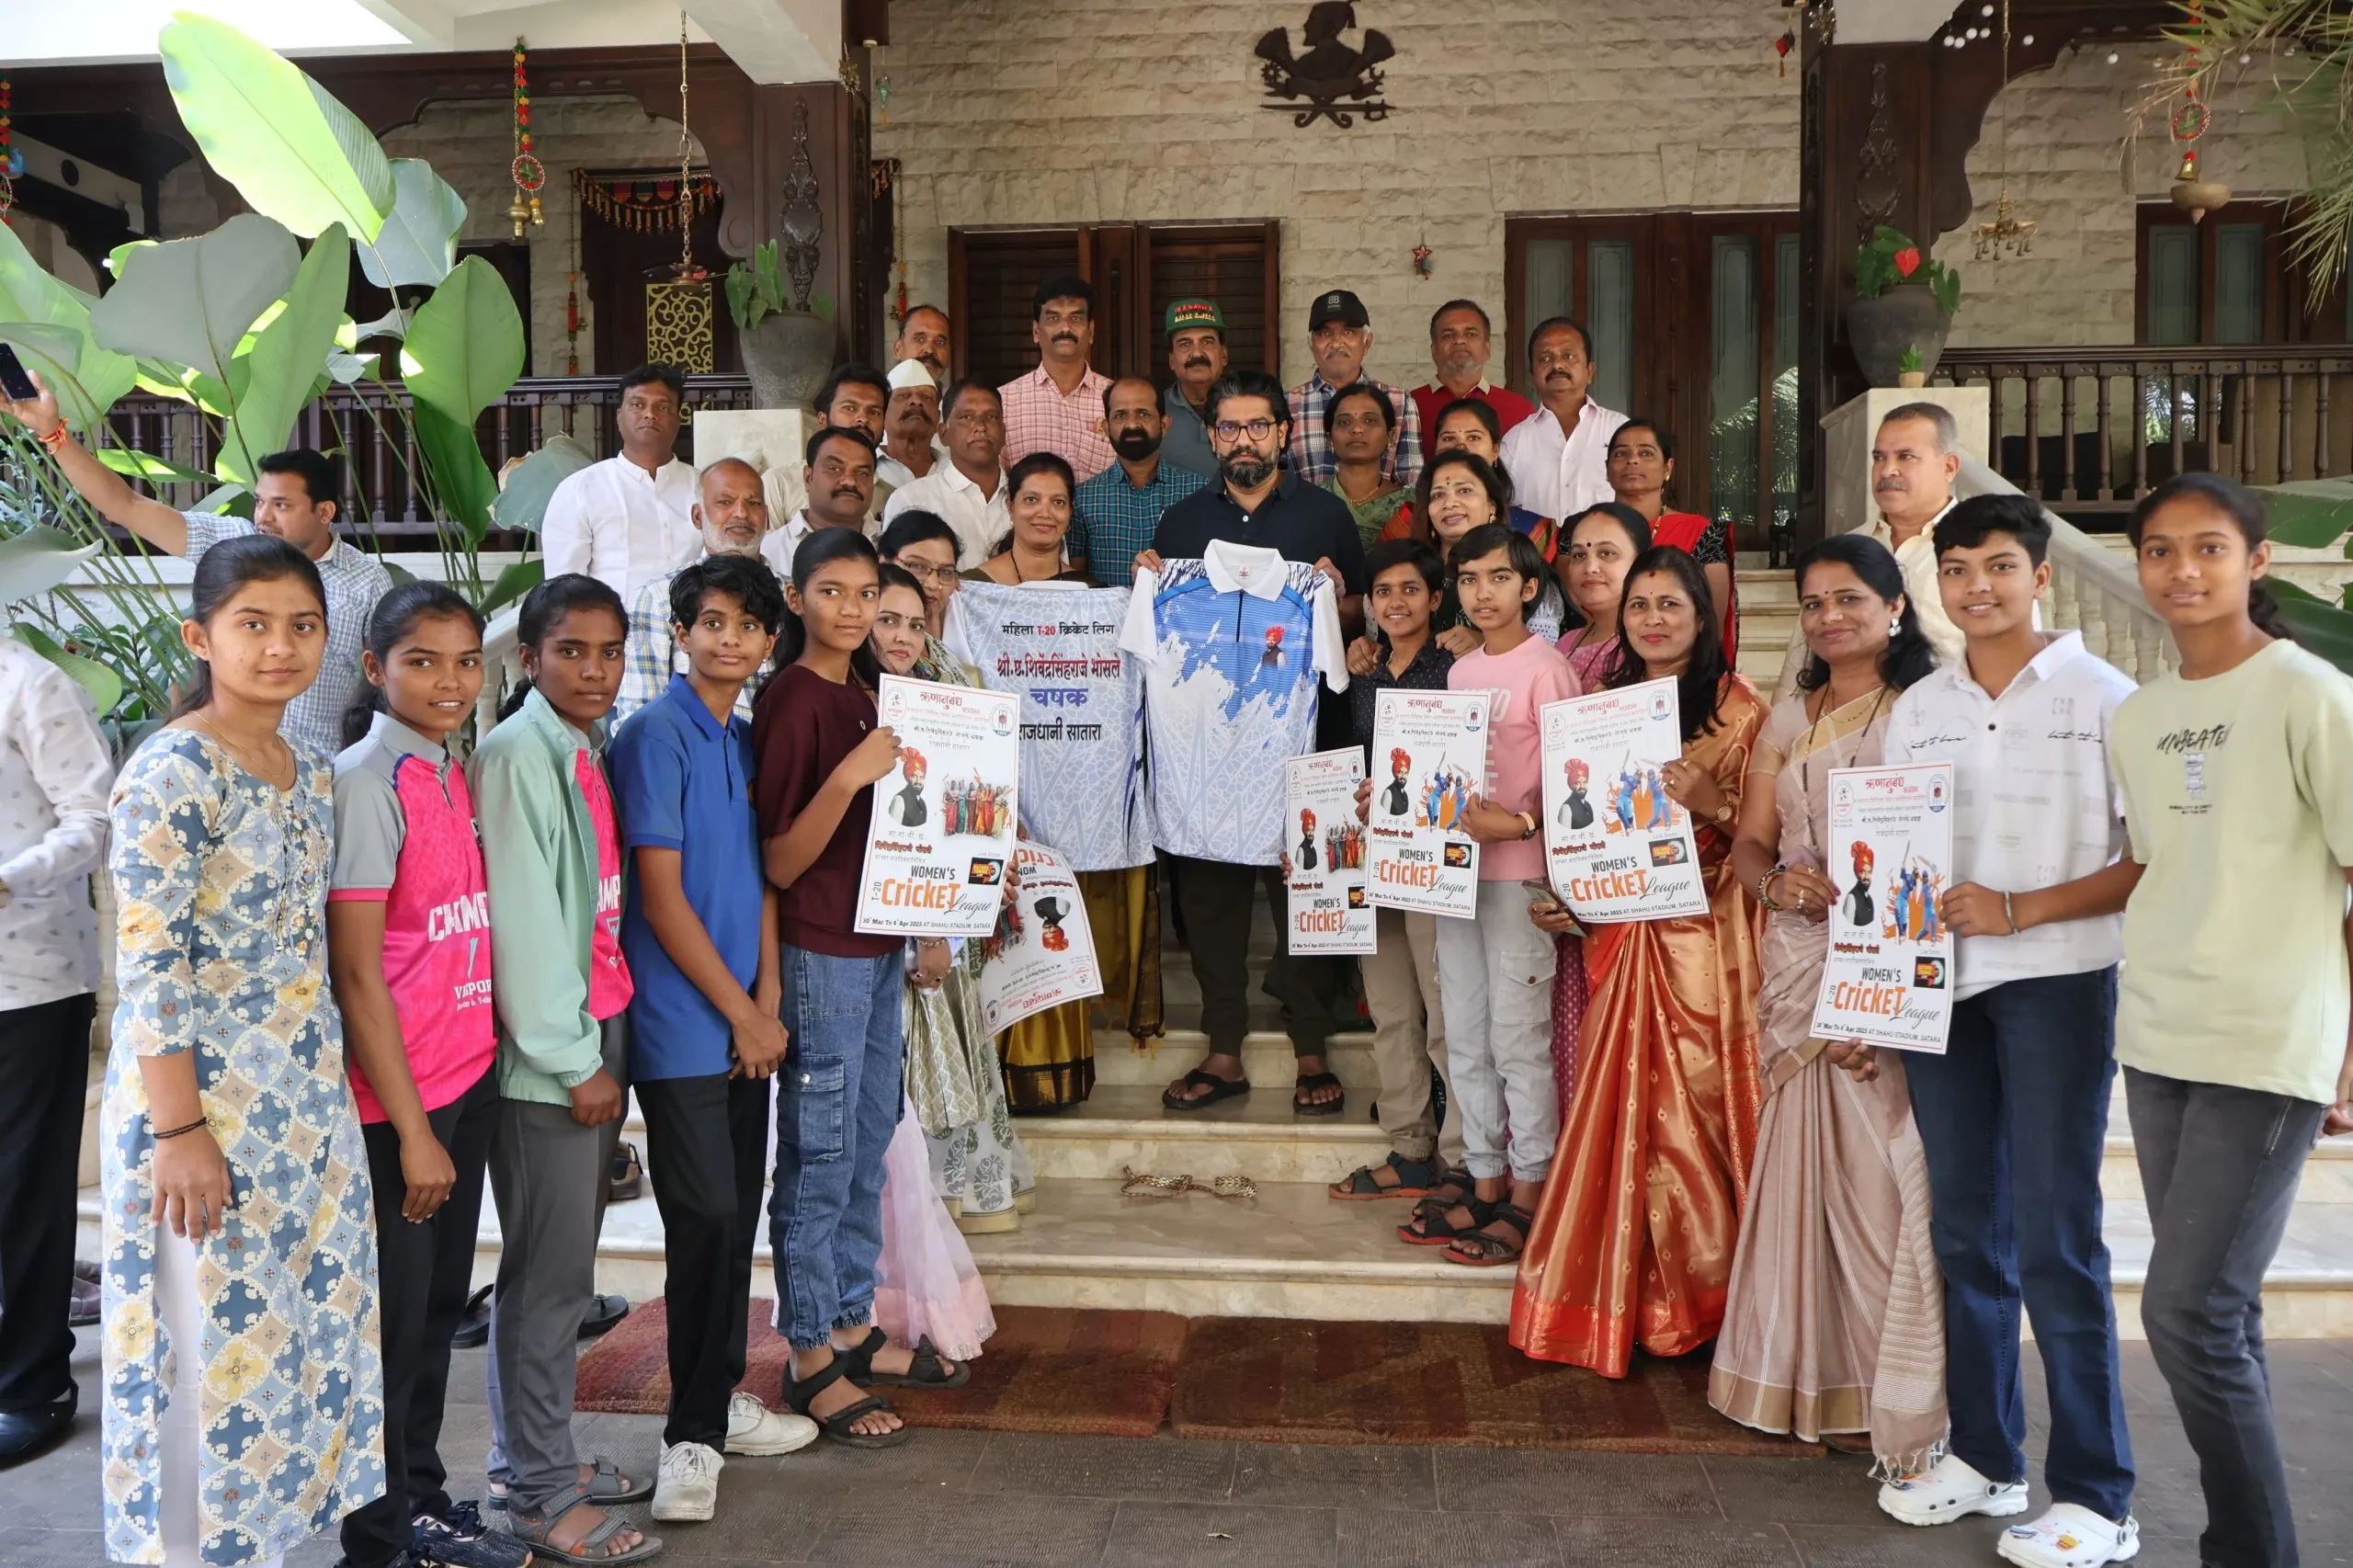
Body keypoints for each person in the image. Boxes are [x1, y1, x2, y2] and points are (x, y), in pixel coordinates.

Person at [1866, 492, 2141, 1565]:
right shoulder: (1921, 705)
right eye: (1957, 568)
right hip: (1941, 993)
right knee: (1965, 1232)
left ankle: (2098, 1494)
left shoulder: (2104, 695)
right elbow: (1894, 853)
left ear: (2041, 575)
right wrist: (1876, 985)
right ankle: (1986, 1456)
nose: (1976, 586)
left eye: (1997, 565)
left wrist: (2020, 909)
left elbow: (2144, 858)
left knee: (2055, 1238)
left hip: (2057, 985)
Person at [101, 535, 383, 1566]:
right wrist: (178, 1131)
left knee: (287, 1353)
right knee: (203, 1361)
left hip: (301, 1109)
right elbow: (151, 965)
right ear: (200, 638)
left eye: (302, 625)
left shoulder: (307, 768)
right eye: (252, 624)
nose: (280, 646)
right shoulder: (173, 770)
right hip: (201, 1112)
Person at [2108, 472, 2353, 1568]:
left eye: (2207, 547)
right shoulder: (2140, 713)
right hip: (2160, 1031)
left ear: (2255, 561)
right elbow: (2154, 864)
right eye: (2159, 550)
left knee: (2186, 1311)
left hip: (2267, 1034)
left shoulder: (2310, 695)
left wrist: (2348, 1048)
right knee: (2222, 1310)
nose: (2181, 569)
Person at [1711, 533, 1946, 1474]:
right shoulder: (1788, 717)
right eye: (1812, 603)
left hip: (1889, 962)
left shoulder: (1929, 709)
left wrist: (1881, 965)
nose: (1827, 616)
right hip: (1802, 961)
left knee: (1882, 1179)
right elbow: (1750, 845)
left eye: (1848, 597)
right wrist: (1776, 887)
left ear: (1895, 606)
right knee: (1805, 1168)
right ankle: (1803, 1377)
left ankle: (1896, 1392)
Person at [1509, 545, 1768, 1375]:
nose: (1653, 620)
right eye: (1639, 606)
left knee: (1692, 1118)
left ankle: (1707, 1297)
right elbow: (1582, 831)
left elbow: (1771, 838)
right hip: (1617, 939)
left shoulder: (1741, 709)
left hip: (1702, 943)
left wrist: (1714, 803)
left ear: (1702, 615)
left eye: (1670, 604)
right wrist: (1567, 899)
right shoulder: (1602, 708)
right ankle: (1627, 1294)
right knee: (1623, 1115)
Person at [608, 554, 818, 1524]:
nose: (729, 638)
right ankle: (687, 1438)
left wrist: (766, 1000)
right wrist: (740, 1012)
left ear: (770, 641)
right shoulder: (654, 736)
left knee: (734, 1223)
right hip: (683, 1024)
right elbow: (660, 897)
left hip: (746, 1023)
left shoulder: (741, 738)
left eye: (748, 625)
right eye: (713, 621)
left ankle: (720, 1401)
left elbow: (763, 880)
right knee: (700, 1228)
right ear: (684, 631)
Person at [327, 585, 530, 1568]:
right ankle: (378, 1533)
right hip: (399, 1103)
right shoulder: (366, 782)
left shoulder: (450, 765)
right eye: (422, 661)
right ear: (376, 669)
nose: (450, 681)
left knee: (438, 1311)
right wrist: (410, 1129)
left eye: (464, 661)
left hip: (464, 1079)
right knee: (395, 1326)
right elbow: (357, 969)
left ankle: (423, 1495)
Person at [756, 528, 968, 1449]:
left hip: (878, 942)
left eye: (865, 594)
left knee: (867, 1140)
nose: (850, 610)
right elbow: (780, 859)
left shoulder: (868, 694)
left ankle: (848, 1323)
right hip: (821, 951)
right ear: (796, 597)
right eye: (831, 591)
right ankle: (808, 1354)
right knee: (820, 1151)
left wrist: (943, 902)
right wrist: (848, 776)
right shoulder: (794, 698)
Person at [469, 574, 661, 1564]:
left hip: (595, 1024)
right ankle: (535, 1493)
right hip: (551, 1056)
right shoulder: (515, 755)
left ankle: (537, 1458)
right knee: (547, 1281)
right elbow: (524, 923)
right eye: (571, 650)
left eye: (610, 651)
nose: (594, 669)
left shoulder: (579, 745)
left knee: (560, 1272)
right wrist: (570, 1056)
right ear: (529, 657)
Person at [1135, 369, 1365, 1115]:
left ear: (1282, 433)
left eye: (1257, 426)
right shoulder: (1178, 526)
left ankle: (1311, 1044)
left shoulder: (1325, 517)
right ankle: (1224, 1046)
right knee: (1210, 901)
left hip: (1305, 743)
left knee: (1310, 894)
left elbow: (1361, 615)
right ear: (1211, 437)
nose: (1243, 440)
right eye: (1229, 428)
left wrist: (1336, 596)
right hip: (1204, 756)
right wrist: (1149, 581)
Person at [3, 371, 392, 756]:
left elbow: (388, 683)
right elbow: (127, 505)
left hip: (325, 768)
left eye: (282, 506)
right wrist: (53, 434)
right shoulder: (233, 545)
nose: (264, 518)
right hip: (228, 764)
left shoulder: (367, 581)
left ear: (324, 512)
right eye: (260, 502)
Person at [1403, 524, 1577, 1268]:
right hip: (1455, 877)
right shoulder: (1460, 672)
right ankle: (1484, 1179)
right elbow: (1443, 774)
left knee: (1518, 1041)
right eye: (1469, 579)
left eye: (1499, 578)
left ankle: (1530, 1194)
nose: (1482, 592)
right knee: (1465, 1036)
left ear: (1529, 588)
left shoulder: (1549, 670)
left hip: (1519, 877)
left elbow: (1573, 785)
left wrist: (1524, 823)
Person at [869, 563, 1035, 1227]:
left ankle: (947, 1208)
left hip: (940, 917)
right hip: (886, 923)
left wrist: (989, 878)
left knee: (946, 1060)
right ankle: (902, 1225)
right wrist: (926, 934)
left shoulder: (942, 692)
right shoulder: (857, 700)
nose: (903, 637)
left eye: (915, 623)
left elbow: (967, 815)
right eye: (887, 620)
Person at [0, 616, 111, 1468]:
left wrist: (9, 879)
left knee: (23, 1191)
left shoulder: (30, 684)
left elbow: (93, 819)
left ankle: (32, 1385)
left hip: (29, 977)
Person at [1324, 539, 1462, 1200]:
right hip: (1373, 858)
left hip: (1437, 864)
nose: (1396, 602)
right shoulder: (1363, 669)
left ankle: (1466, 1159)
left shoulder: (1459, 665)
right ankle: (1409, 1148)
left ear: (1435, 598)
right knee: (1391, 1010)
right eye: (1383, 592)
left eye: (1410, 589)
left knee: (1447, 1014)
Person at [1539, 503, 1654, 1113]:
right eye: (1579, 553)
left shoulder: (1647, 653)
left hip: (1619, 870)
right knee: (1563, 1015)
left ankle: (1610, 1154)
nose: (1589, 566)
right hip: (1561, 854)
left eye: (1608, 553)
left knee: (1611, 1016)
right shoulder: (1561, 645)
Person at [614, 457, 778, 725]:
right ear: (698, 516)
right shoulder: (658, 598)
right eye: (725, 502)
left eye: (754, 503)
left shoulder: (795, 595)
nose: (741, 513)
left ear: (767, 517)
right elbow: (638, 718)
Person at [1380, 449, 1564, 651]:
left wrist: (1485, 645)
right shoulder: (1408, 572)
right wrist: (1366, 650)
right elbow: (1385, 646)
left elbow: (1541, 655)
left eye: (1464, 490)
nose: (1449, 503)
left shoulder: (1525, 570)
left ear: (1492, 505)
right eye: (1438, 495)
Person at [542, 364, 698, 601]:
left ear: (678, 420)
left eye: (663, 407)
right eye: (637, 405)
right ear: (619, 417)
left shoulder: (705, 488)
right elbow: (564, 591)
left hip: (694, 623)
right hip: (616, 624)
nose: (650, 414)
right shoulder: (580, 491)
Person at [1605, 419, 1734, 651]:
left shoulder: (1703, 533)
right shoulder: (1581, 531)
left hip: (1677, 660)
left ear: (1668, 468)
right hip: (1596, 657)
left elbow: (1711, 621)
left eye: (1646, 453)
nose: (1632, 460)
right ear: (1607, 468)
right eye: (1621, 454)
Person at [1072, 374, 1207, 587]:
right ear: (1106, 427)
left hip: (1179, 609)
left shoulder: (1199, 492)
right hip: (1108, 611)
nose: (1132, 424)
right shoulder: (1083, 499)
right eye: (1120, 415)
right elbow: (1076, 582)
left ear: (1164, 424)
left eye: (1143, 414)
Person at [1288, 289, 1422, 489]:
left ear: (1367, 342)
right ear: (1311, 344)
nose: (1336, 343)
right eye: (1324, 333)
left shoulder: (1399, 402)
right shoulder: (1286, 405)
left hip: (1382, 511)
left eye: (1348, 332)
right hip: (1305, 511)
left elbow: (1413, 486)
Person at [1500, 317, 1626, 524]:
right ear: (1532, 377)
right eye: (1545, 358)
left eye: (1568, 356)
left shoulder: (1619, 429)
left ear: (1590, 371)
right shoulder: (1514, 441)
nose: (1557, 364)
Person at [882, 379, 1010, 570]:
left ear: (1004, 433)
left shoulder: (1030, 500)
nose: (980, 426)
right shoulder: (911, 500)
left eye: (991, 417)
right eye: (966, 417)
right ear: (944, 434)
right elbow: (896, 578)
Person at [999, 273, 1114, 480]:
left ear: (1091, 331)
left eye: (1076, 318)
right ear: (1036, 331)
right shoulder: (1005, 402)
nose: (1065, 328)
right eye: (1053, 318)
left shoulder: (1117, 400)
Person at [763, 363, 892, 529]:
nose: (863, 419)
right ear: (822, 420)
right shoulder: (780, 484)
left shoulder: (889, 495)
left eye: (874, 412)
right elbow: (767, 545)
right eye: (849, 408)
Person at [1411, 299, 1535, 440]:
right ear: (1434, 351)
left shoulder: (1520, 411)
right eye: (1448, 335)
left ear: (1487, 349)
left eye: (1471, 334)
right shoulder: (1407, 408)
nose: (1459, 341)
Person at [967, 451, 1092, 587]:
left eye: (1058, 502)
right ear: (1011, 507)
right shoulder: (972, 587)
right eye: (1031, 499)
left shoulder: (1087, 592)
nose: (1045, 513)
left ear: (1070, 512)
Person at [878, 510, 970, 676]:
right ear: (883, 562)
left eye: (945, 572)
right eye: (917, 566)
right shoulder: (858, 645)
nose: (933, 584)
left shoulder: (948, 660)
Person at [1322, 381, 1411, 547]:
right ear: (1329, 439)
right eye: (1344, 422)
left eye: (1370, 420)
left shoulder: (1411, 506)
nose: (1357, 429)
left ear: (1390, 437)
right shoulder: (1310, 503)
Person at [783, 426, 883, 563]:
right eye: (834, 469)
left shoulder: (891, 545)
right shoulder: (770, 551)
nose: (850, 481)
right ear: (808, 478)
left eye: (862, 473)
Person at [1161, 297, 1230, 479]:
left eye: (1207, 342)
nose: (1197, 353)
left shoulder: (1249, 407)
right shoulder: (1154, 411)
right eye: (1185, 344)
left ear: (1224, 355)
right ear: (1171, 361)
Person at [876, 359, 943, 495]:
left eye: (927, 397)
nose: (917, 401)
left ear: (938, 418)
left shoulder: (957, 473)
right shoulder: (865, 469)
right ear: (882, 414)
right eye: (903, 395)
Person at [892, 303, 952, 385]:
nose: (930, 350)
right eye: (920, 339)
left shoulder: (959, 393)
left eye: (940, 342)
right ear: (898, 349)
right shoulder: (878, 393)